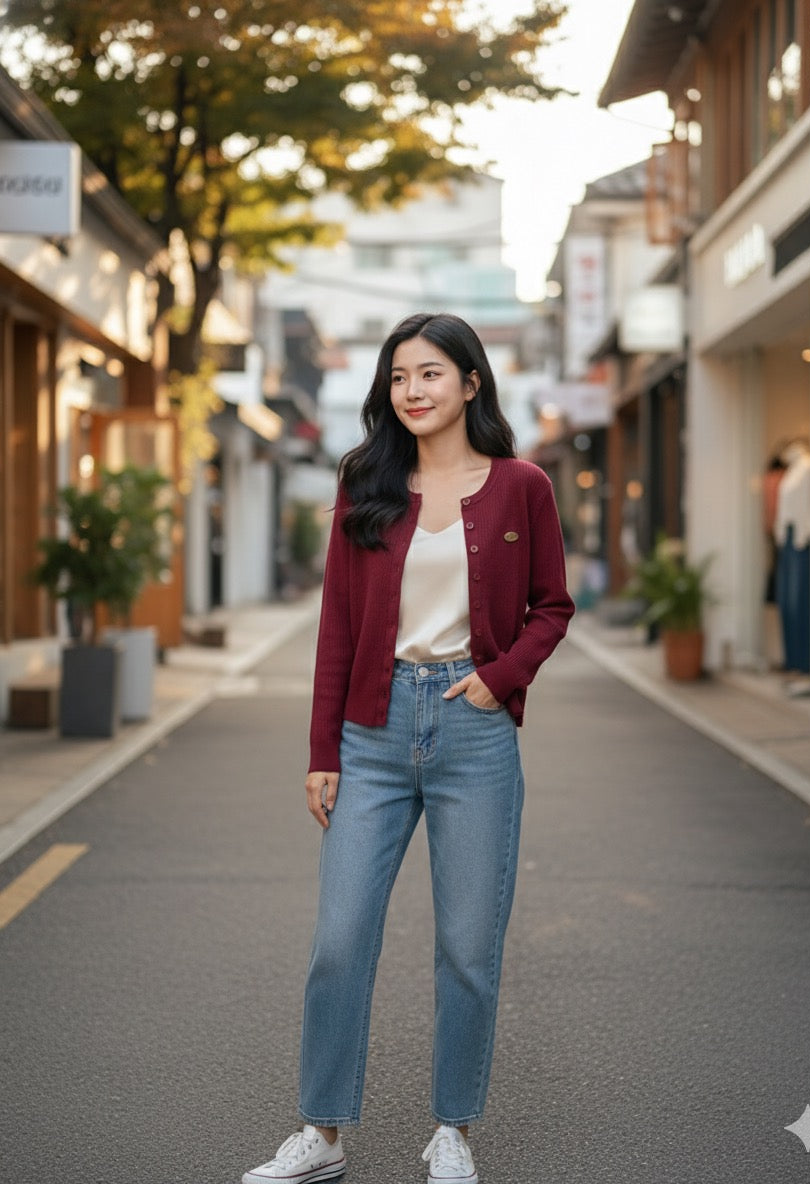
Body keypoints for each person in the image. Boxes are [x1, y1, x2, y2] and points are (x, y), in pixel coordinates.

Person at [242, 313, 575, 1184]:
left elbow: (553, 606)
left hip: (474, 727)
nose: (413, 391)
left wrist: (501, 679)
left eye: (431, 374)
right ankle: (322, 1135)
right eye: (399, 378)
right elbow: (338, 627)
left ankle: (452, 1130)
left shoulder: (521, 486)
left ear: (471, 382)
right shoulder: (366, 483)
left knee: (469, 946)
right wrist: (324, 749)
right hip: (374, 728)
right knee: (340, 940)